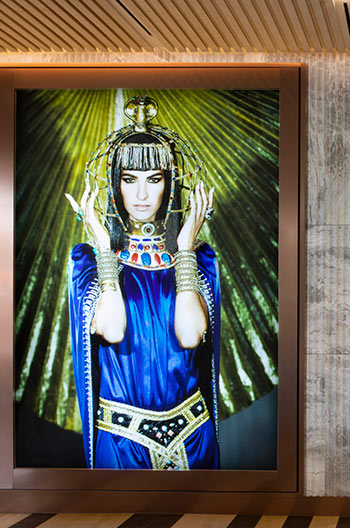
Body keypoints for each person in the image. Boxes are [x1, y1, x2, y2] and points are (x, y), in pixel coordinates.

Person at [65, 96, 221, 470]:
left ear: (170, 185)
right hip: (122, 443)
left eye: (154, 180)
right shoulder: (88, 260)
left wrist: (183, 248)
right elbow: (113, 329)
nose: (140, 195)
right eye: (129, 180)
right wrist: (104, 246)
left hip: (193, 437)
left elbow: (189, 336)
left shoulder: (198, 259)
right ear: (115, 185)